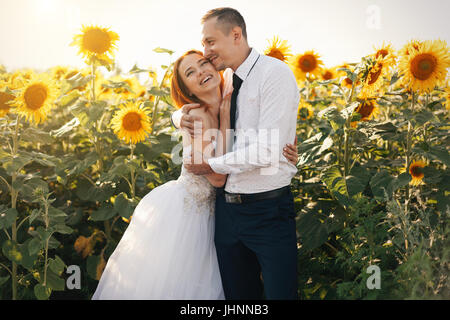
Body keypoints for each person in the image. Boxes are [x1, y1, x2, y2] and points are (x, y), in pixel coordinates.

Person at [91, 49, 298, 299]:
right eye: (191, 73)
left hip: (220, 214)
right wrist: (220, 115)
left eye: (203, 64)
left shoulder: (233, 93)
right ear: (186, 90)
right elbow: (217, 177)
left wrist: (285, 152)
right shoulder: (197, 116)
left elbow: (268, 131)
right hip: (190, 215)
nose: (201, 72)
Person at [173, 7, 300, 300]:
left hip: (267, 210)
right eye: (204, 44)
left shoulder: (274, 73)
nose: (206, 52)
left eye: (210, 42)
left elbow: (268, 149)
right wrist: (179, 116)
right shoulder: (226, 78)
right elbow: (199, 102)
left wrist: (210, 164)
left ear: (235, 34)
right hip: (225, 214)